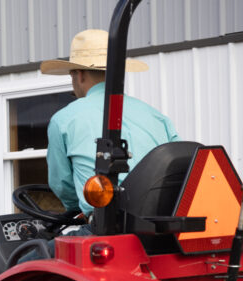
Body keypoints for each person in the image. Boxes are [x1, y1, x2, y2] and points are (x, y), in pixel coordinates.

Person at [40, 29, 180, 216]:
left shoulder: (64, 119)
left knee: (39, 246)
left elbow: (63, 184)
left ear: (79, 75)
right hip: (162, 223)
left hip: (108, 224)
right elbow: (179, 167)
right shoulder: (157, 117)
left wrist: (79, 209)